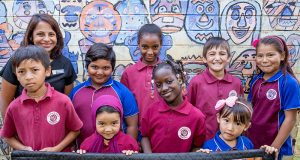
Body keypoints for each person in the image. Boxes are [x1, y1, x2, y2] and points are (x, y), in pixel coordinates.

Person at [1, 45, 82, 151]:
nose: (28, 77)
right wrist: (24, 149)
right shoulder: (14, 107)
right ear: (16, 75)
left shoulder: (63, 101)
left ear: (47, 71)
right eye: (21, 71)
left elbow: (76, 130)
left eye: (34, 70)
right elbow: (7, 136)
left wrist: (57, 149)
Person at [0, 14, 77, 117]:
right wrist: (9, 130)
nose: (46, 39)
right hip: (25, 124)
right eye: (40, 34)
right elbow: (6, 101)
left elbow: (67, 101)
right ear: (31, 37)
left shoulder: (65, 64)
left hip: (54, 125)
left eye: (51, 34)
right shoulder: (16, 61)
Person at [70, 43, 138, 146]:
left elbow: (132, 125)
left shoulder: (123, 92)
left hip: (116, 154)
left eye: (106, 68)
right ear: (87, 66)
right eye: (94, 67)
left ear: (112, 68)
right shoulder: (75, 93)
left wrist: (128, 149)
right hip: (83, 153)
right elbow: (69, 125)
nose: (100, 72)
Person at [248, 35, 300, 160]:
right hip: (252, 144)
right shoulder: (256, 81)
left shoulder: (289, 83)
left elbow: (290, 119)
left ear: (282, 56)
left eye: (270, 55)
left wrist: (274, 148)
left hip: (274, 146)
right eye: (260, 56)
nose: (264, 60)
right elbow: (250, 110)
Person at [140, 60, 206, 153]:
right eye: (159, 85)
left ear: (180, 79)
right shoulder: (151, 111)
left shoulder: (197, 117)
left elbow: (197, 146)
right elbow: (144, 136)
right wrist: (149, 157)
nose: (164, 88)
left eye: (169, 81)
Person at [187, 37, 244, 140]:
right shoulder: (196, 82)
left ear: (228, 58)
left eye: (222, 54)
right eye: (212, 54)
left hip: (230, 141)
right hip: (203, 141)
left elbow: (241, 113)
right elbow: (189, 112)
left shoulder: (236, 83)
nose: (217, 58)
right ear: (204, 58)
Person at [197, 96, 277, 157]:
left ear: (246, 126)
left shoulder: (247, 144)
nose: (230, 128)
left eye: (238, 123)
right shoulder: (209, 146)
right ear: (218, 118)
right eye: (226, 121)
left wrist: (266, 152)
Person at [120, 24, 162, 122]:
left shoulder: (167, 71)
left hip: (162, 127)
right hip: (137, 129)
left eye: (155, 47)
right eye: (145, 47)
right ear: (138, 44)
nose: (150, 52)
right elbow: (124, 103)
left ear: (161, 44)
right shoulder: (129, 73)